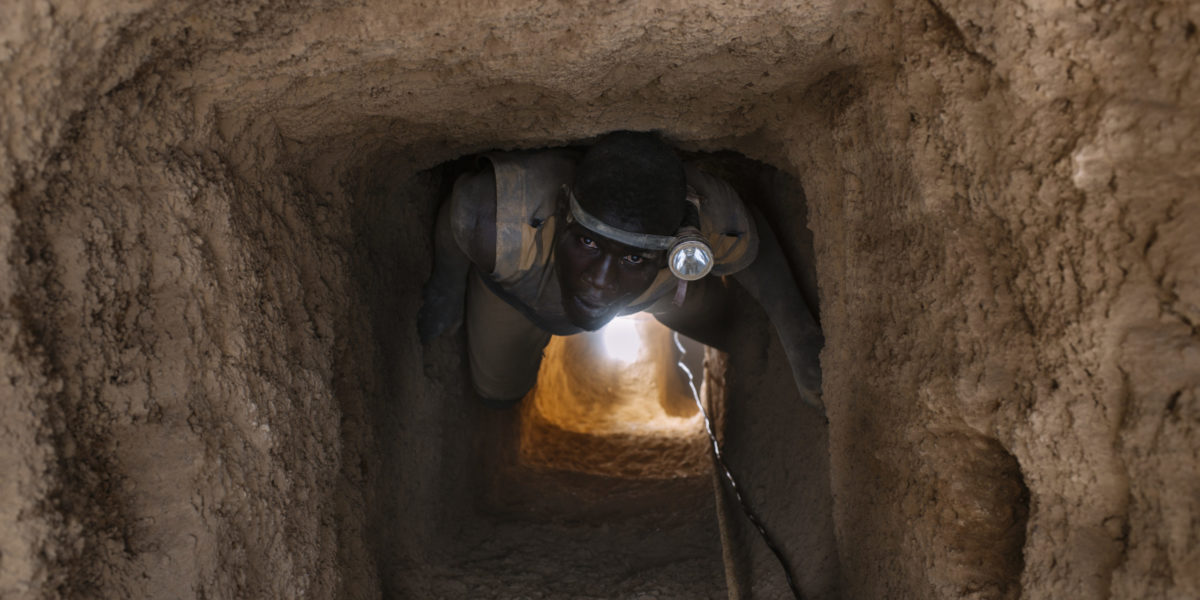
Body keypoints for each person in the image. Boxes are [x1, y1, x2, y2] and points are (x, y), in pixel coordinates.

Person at [418, 131, 824, 410]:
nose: (600, 278)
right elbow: (461, 211)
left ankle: (742, 346)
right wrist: (446, 286)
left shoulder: (709, 219)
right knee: (497, 393)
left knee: (722, 319)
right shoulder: (501, 220)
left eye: (632, 258)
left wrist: (799, 335)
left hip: (655, 291)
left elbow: (753, 246)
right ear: (562, 212)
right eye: (588, 243)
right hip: (521, 297)